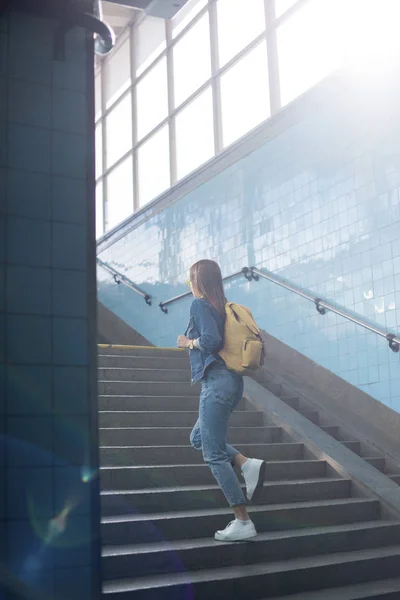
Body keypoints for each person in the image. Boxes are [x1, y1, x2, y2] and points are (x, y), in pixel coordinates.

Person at [177, 259, 266, 542]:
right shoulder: (221, 304)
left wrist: (188, 343)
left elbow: (211, 340)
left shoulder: (200, 304)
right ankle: (245, 463)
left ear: (198, 281)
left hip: (216, 383)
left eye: (191, 278)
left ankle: (243, 520)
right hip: (232, 382)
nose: (189, 284)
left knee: (213, 454)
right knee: (197, 438)